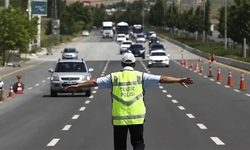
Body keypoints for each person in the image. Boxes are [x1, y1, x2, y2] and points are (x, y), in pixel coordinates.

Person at [64, 53, 194, 150]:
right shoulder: (141, 76)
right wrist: (178, 80)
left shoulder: (114, 77)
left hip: (119, 118)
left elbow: (94, 82)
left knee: (120, 146)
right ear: (134, 64)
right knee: (138, 143)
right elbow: (162, 78)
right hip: (137, 117)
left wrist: (78, 86)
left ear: (122, 64)